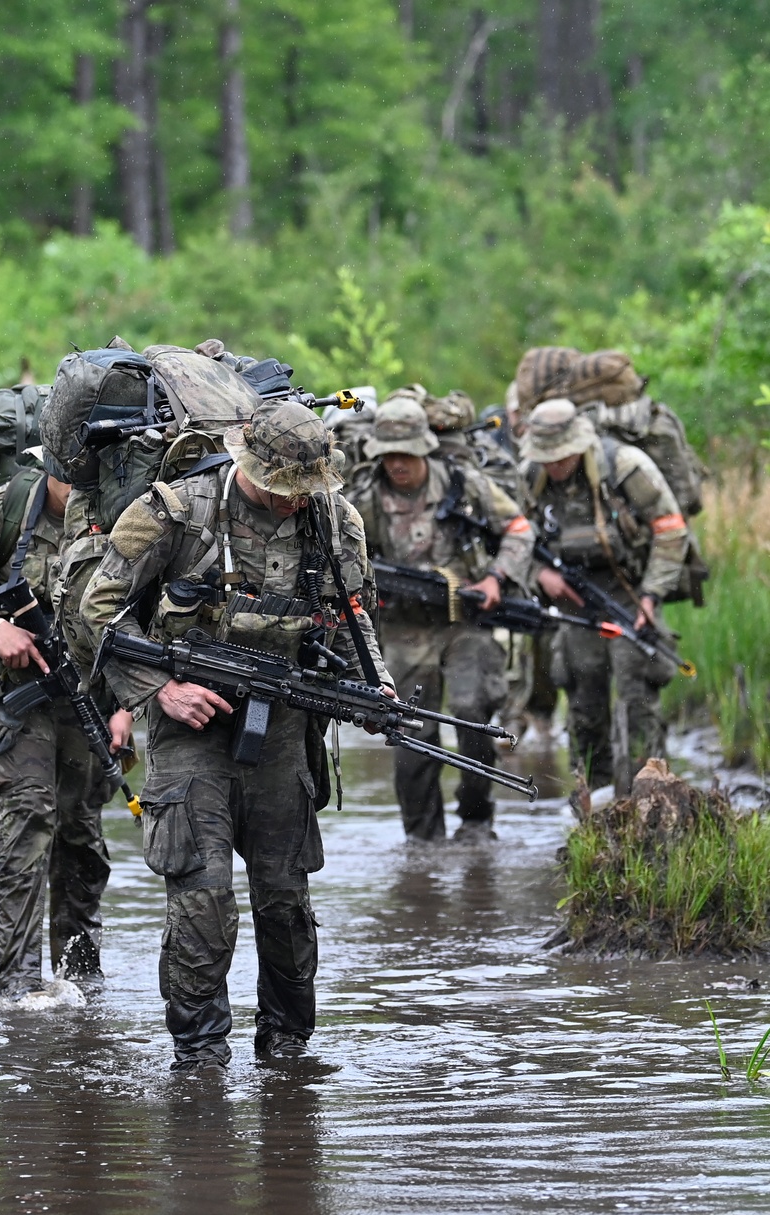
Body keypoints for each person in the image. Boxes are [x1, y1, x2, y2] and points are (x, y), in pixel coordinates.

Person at [76, 401, 393, 1073]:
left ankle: (286, 1048)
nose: (288, 505)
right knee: (203, 891)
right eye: (278, 492)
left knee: (284, 896)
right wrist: (157, 689)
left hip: (282, 726)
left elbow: (353, 612)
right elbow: (96, 609)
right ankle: (200, 1056)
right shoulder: (174, 510)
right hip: (191, 726)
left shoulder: (334, 517)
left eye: (299, 492)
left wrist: (376, 685)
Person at [0, 456, 133, 1000]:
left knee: (82, 837)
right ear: (51, 470)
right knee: (27, 828)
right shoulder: (1, 512)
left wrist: (128, 706)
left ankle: (80, 980)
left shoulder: (120, 515)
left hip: (93, 699)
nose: (81, 490)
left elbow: (145, 611)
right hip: (20, 704)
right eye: (72, 478)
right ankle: (17, 987)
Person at [346, 397, 534, 842]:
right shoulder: (364, 498)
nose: (397, 464)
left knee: (473, 712)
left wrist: (496, 578)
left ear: (426, 449)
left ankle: (476, 821)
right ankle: (422, 840)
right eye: (388, 455)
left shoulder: (461, 484)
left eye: (406, 454)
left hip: (465, 620)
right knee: (412, 732)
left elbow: (519, 530)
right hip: (402, 627)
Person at [519, 399, 688, 793]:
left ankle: (647, 798)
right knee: (583, 700)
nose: (553, 465)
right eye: (546, 457)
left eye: (559, 457)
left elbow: (671, 529)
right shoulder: (529, 475)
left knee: (636, 700)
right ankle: (592, 807)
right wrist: (539, 573)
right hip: (572, 599)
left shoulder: (626, 466)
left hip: (630, 592)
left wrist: (651, 594)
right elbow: (511, 536)